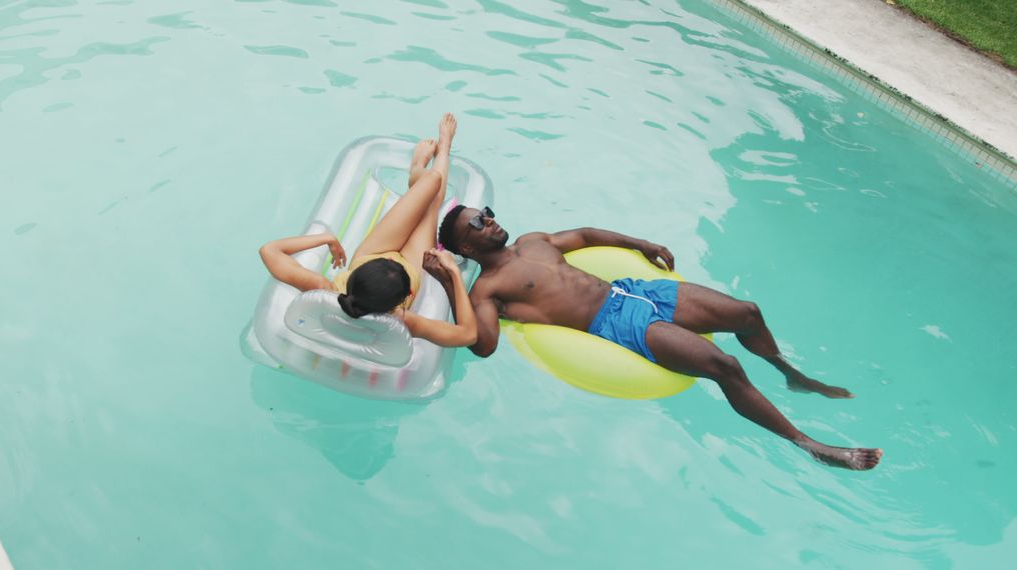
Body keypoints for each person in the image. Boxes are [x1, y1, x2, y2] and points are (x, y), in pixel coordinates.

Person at [437, 206, 883, 470]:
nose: (490, 221)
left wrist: (640, 243)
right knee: (723, 366)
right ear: (469, 250)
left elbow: (588, 235)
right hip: (614, 324)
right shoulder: (488, 291)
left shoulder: (534, 241)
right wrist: (450, 281)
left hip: (632, 291)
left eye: (487, 214)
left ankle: (789, 373)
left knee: (748, 313)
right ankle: (810, 444)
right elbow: (485, 344)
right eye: (478, 225)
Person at [259, 113, 476, 348]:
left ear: (352, 279)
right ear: (403, 300)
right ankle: (438, 152)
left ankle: (418, 170)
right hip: (404, 262)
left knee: (431, 186)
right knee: (432, 193)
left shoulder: (325, 290)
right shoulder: (401, 320)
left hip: (375, 251)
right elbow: (467, 335)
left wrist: (326, 238)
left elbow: (269, 250)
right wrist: (453, 271)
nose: (393, 259)